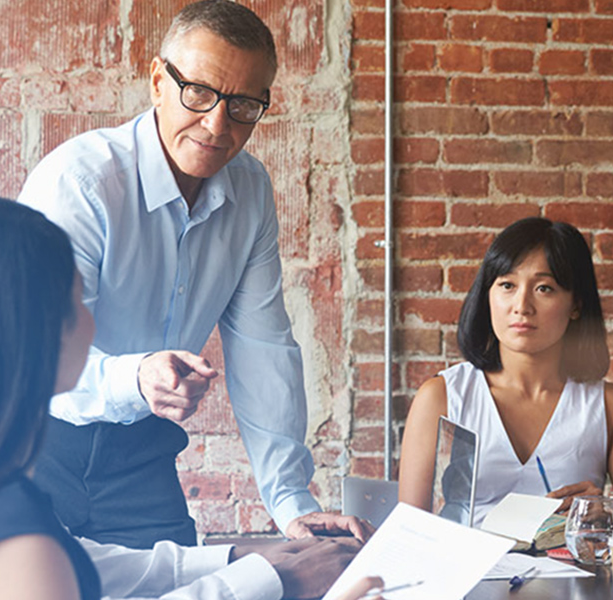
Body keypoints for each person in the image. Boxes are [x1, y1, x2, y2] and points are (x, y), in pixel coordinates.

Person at [0, 197, 384, 600]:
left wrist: (244, 563)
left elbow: (74, 561)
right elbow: (48, 568)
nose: (95, 319)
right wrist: (276, 585)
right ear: (38, 327)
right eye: (82, 298)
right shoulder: (9, 535)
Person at [18, 0, 367, 550]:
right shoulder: (81, 183)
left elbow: (263, 347)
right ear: (158, 80)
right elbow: (32, 358)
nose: (217, 124)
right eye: (199, 92)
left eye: (244, 104)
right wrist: (135, 379)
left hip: (142, 457)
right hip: (32, 448)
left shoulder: (250, 193)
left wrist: (292, 502)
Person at [397, 217, 613, 536]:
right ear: (488, 296)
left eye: (544, 288)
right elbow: (407, 532)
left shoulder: (611, 405)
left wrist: (606, 515)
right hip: (473, 580)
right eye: (507, 285)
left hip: (576, 583)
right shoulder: (442, 397)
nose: (522, 306)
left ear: (576, 305)